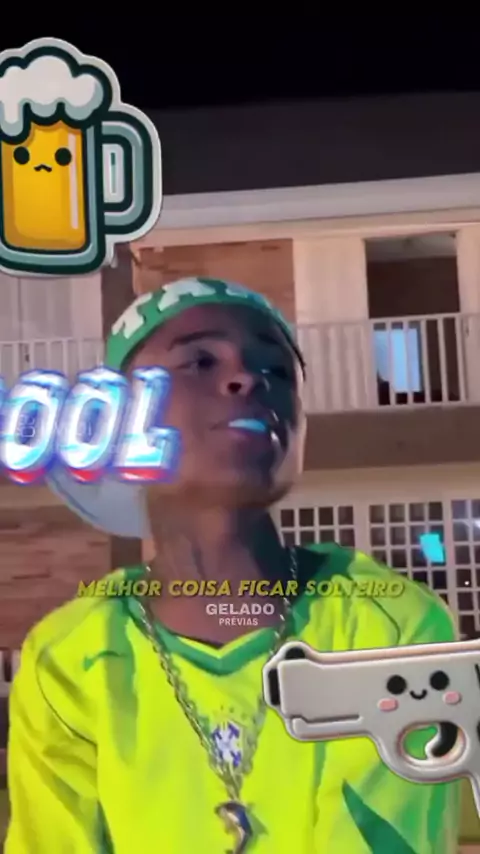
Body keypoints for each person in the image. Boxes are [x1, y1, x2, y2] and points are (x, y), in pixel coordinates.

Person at [5, 278, 460, 853]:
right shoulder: (70, 658)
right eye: (199, 361)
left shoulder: (388, 630)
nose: (247, 379)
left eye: (277, 371)